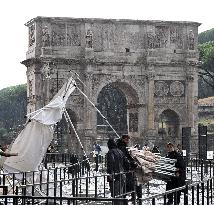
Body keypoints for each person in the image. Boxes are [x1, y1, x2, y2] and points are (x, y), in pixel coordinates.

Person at [116, 134, 141, 200]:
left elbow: (127, 157)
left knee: (129, 183)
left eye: (128, 140)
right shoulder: (121, 147)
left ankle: (128, 196)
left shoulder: (122, 146)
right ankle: (128, 196)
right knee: (129, 182)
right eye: (126, 140)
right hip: (125, 168)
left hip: (124, 167)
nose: (128, 141)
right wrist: (133, 164)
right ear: (123, 139)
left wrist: (132, 161)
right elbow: (125, 158)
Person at [106, 138, 129, 203]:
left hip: (115, 176)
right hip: (122, 175)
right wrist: (127, 170)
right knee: (120, 194)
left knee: (115, 195)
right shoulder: (120, 151)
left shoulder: (110, 152)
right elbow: (126, 162)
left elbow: (111, 163)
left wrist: (110, 174)